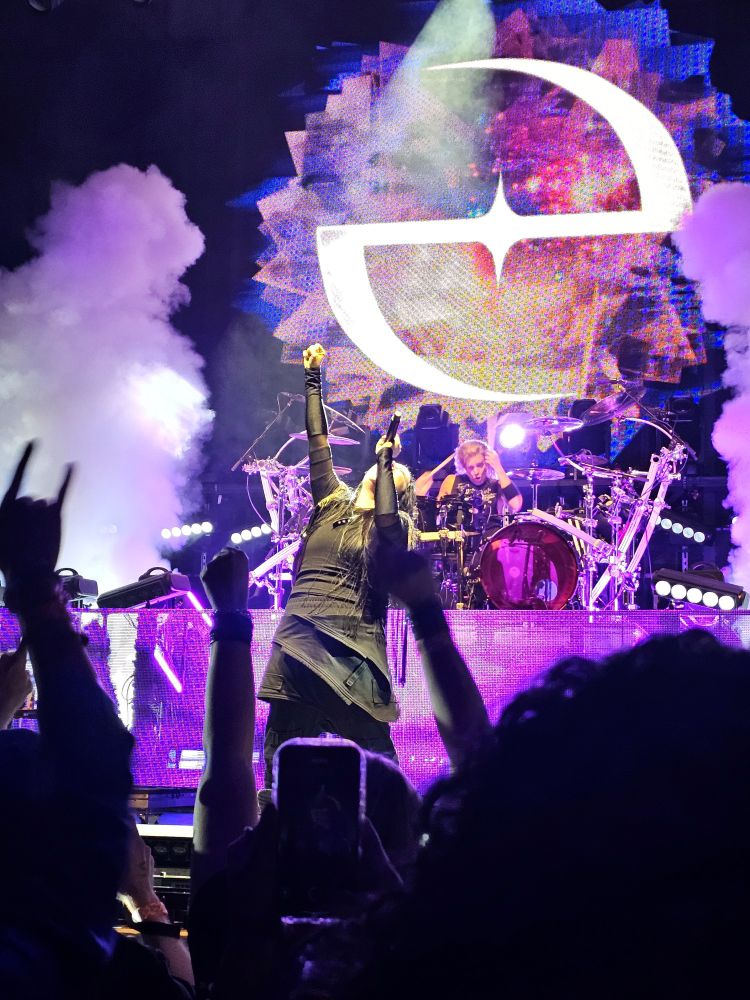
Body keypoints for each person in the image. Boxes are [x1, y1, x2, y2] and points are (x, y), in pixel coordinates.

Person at [257, 343, 414, 797]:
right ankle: (275, 839)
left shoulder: (394, 525)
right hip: (299, 643)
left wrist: (387, 463)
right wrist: (312, 380)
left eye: (397, 474)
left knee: (378, 768)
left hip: (351, 654)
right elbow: (317, 442)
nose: (387, 471)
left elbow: (384, 514)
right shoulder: (330, 503)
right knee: (279, 762)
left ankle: (395, 841)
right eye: (386, 467)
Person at [418, 438, 522, 518]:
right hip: (458, 538)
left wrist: (498, 467)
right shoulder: (452, 481)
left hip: (489, 540)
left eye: (480, 465)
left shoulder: (497, 484)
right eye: (470, 467)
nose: (475, 472)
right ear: (463, 467)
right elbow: (438, 513)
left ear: (487, 463)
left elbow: (516, 505)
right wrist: (421, 496)